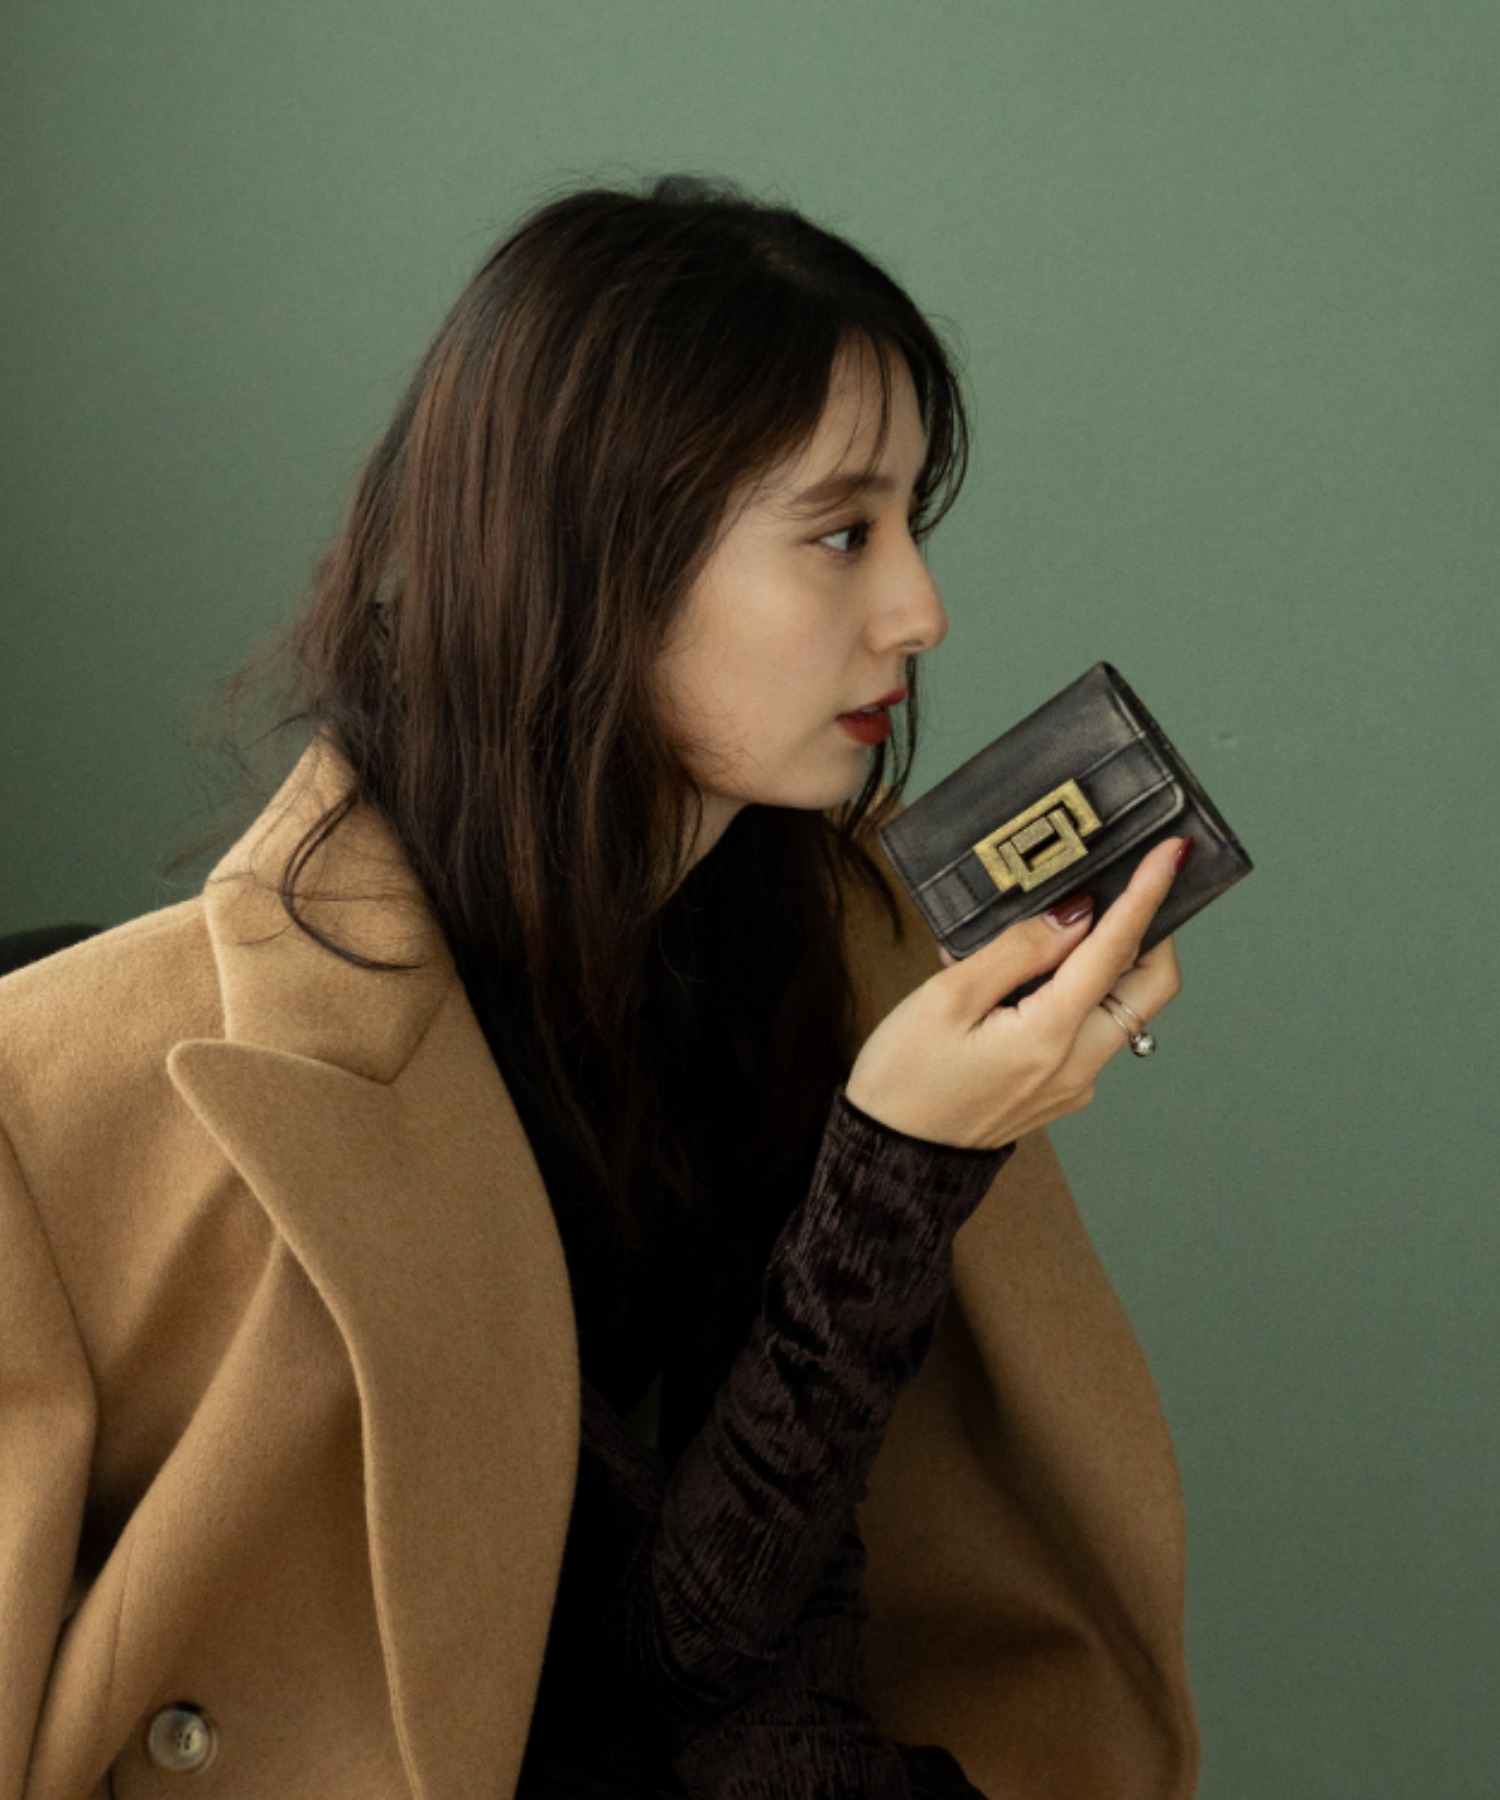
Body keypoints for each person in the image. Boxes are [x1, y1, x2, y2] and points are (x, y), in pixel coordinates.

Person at [0, 175, 1199, 1798]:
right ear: (599, 556)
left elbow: (700, 1651)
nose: (920, 610)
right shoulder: (60, 1091)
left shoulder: (817, 960)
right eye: (841, 533)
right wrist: (901, 1166)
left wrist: (907, 1156)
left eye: (911, 525)